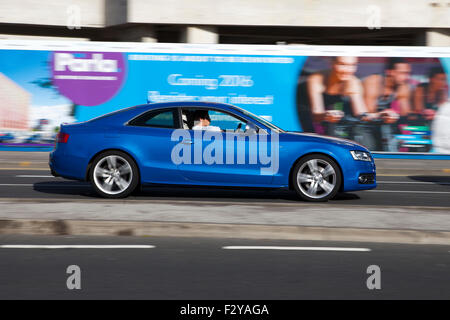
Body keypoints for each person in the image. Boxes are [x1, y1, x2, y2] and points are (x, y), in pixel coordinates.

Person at [363, 57, 413, 151]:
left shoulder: (403, 86)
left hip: (381, 123)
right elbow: (367, 114)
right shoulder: (374, 82)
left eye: (408, 73)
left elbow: (405, 115)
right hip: (363, 124)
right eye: (402, 73)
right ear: (390, 72)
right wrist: (385, 113)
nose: (407, 77)